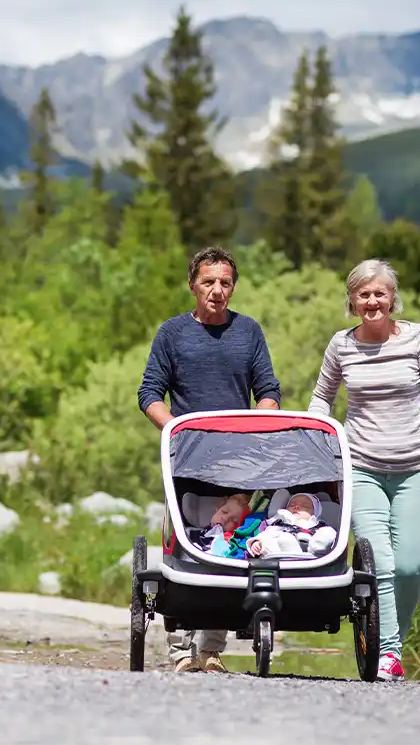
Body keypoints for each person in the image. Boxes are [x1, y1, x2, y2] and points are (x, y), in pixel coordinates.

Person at [137, 245, 281, 673]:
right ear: (192, 285)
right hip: (187, 459)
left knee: (230, 547)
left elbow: (268, 391)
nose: (217, 290)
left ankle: (212, 650)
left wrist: (260, 426)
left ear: (233, 287)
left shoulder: (248, 331)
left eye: (225, 283)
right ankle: (181, 649)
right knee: (184, 545)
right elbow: (149, 393)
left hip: (237, 462)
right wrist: (175, 431)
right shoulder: (172, 333)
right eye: (208, 282)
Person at [307, 259, 420, 682]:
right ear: (352, 300)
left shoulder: (418, 338)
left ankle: (392, 643)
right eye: (364, 294)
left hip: (413, 467)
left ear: (392, 298)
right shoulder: (341, 345)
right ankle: (388, 653)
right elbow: (322, 398)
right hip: (360, 466)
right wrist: (317, 442)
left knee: (409, 566)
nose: (372, 301)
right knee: (381, 563)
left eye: (379, 293)